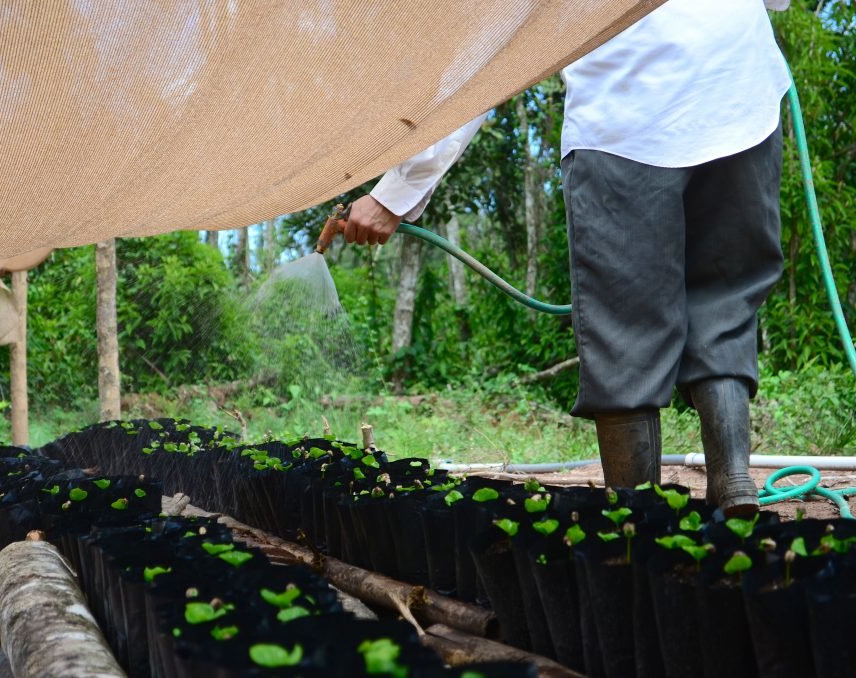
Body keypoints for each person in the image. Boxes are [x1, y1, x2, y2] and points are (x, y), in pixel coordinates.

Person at [338, 0, 791, 516]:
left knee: (625, 334)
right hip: (741, 94)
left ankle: (636, 524)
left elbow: (490, 56)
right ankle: (733, 481)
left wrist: (395, 193)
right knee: (725, 306)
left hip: (625, 116)